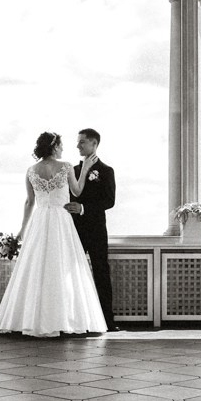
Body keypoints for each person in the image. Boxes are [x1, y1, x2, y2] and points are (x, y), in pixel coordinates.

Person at [0, 131, 107, 337]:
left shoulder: (31, 170)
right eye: (61, 145)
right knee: (62, 266)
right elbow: (78, 191)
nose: (64, 149)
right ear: (54, 147)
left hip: (40, 220)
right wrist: (86, 169)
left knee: (37, 267)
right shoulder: (65, 166)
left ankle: (31, 319)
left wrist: (22, 230)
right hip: (61, 220)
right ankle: (62, 319)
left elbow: (29, 202)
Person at [64, 127, 118, 331]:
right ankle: (71, 320)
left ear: (94, 144)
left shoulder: (106, 171)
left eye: (82, 142)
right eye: (78, 142)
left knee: (101, 273)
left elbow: (109, 201)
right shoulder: (73, 170)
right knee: (70, 273)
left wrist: (84, 208)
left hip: (96, 230)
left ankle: (107, 321)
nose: (78, 145)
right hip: (74, 230)